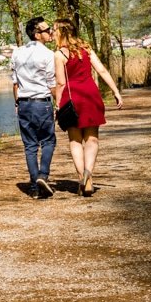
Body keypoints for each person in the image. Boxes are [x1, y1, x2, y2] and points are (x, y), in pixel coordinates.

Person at [51, 19, 122, 196]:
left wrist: (57, 105)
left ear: (61, 32)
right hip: (91, 95)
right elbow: (102, 71)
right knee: (92, 139)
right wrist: (116, 91)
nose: (52, 34)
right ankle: (89, 175)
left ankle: (83, 177)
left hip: (72, 98)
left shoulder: (60, 54)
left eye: (54, 31)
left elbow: (60, 83)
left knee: (75, 140)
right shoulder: (87, 49)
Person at [12, 17, 57, 198]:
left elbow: (15, 83)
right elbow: (52, 84)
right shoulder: (48, 55)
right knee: (48, 141)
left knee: (30, 146)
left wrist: (17, 103)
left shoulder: (17, 52)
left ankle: (34, 188)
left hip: (24, 103)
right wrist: (60, 103)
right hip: (41, 103)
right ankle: (42, 175)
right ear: (37, 34)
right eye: (47, 30)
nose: (51, 32)